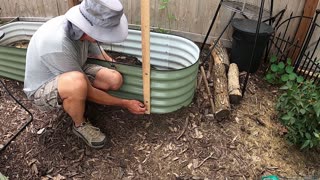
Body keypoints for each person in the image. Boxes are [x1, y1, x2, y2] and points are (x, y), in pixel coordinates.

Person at [23, 0, 146, 149]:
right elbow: (86, 88)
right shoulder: (57, 44)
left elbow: (100, 55)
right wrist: (124, 103)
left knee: (114, 79)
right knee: (78, 85)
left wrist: (117, 67)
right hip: (43, 87)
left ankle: (78, 100)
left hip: (74, 69)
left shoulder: (81, 29)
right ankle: (79, 124)